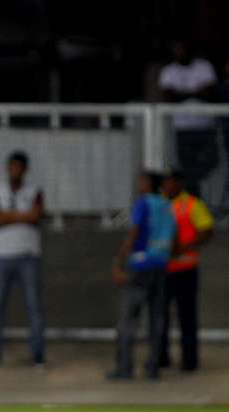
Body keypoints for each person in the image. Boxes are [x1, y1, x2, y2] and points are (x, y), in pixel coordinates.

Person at [107, 172, 176, 380]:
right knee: (156, 319)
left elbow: (133, 233)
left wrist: (118, 263)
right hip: (160, 266)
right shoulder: (166, 206)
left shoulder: (143, 203)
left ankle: (124, 367)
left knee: (128, 320)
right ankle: (152, 368)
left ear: (148, 184)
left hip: (140, 264)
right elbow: (173, 236)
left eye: (141, 180)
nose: (138, 184)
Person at [0, 151, 45, 366]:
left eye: (19, 167)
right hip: (2, 255)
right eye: (12, 166)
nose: (15, 171)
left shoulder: (34, 191)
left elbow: (36, 216)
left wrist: (6, 216)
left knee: (33, 307)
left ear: (25, 170)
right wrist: (21, 216)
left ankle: (37, 355)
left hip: (28, 255)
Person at [159, 170, 214, 372]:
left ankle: (190, 361)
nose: (166, 185)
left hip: (186, 269)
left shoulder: (192, 204)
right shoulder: (159, 204)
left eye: (170, 181)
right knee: (160, 316)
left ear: (179, 183)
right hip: (162, 270)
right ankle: (160, 358)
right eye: (164, 182)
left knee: (187, 317)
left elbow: (206, 230)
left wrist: (184, 246)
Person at [158, 38, 218, 196]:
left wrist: (181, 94)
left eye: (183, 49)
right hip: (182, 127)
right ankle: (194, 204)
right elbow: (168, 96)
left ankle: (189, 188)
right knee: (186, 165)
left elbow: (209, 93)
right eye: (177, 50)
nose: (180, 53)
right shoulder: (169, 71)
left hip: (205, 126)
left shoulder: (204, 67)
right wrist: (195, 92)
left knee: (212, 161)